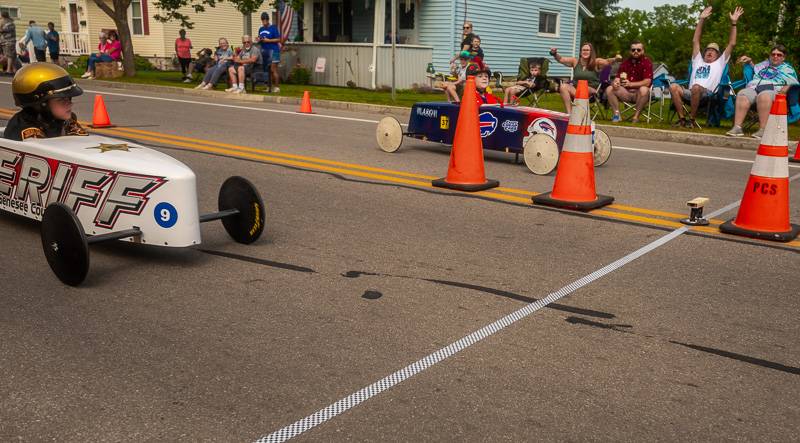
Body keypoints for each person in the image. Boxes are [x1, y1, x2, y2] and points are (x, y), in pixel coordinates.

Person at [669, 6, 743, 128]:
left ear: (718, 55)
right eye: (708, 49)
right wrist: (701, 19)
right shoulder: (697, 60)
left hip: (708, 94)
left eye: (713, 51)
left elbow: (732, 43)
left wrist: (734, 23)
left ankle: (692, 120)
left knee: (697, 87)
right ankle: (682, 119)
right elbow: (695, 41)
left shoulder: (720, 62)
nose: (710, 51)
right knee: (673, 86)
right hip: (690, 92)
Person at [726, 44, 798, 138]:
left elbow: (791, 81)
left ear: (783, 58)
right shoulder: (764, 65)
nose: (775, 56)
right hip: (755, 88)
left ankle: (763, 130)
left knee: (764, 95)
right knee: (742, 94)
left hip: (772, 91)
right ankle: (737, 128)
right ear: (770, 55)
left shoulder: (787, 69)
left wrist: (784, 91)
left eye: (779, 55)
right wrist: (750, 61)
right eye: (773, 54)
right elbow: (755, 68)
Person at [4, 63, 87, 141]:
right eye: (61, 100)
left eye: (69, 98)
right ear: (40, 104)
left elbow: (83, 145)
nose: (70, 104)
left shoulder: (63, 121)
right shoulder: (25, 131)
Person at [551, 43, 619, 113]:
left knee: (584, 87)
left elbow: (607, 61)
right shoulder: (575, 61)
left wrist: (615, 59)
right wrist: (554, 54)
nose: (585, 52)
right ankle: (569, 114)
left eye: (587, 50)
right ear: (581, 52)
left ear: (591, 52)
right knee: (563, 86)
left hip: (591, 90)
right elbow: (561, 59)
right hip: (576, 89)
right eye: (583, 50)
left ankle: (578, 108)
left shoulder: (596, 62)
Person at [606, 40, 653, 123]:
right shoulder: (625, 63)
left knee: (644, 89)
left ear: (643, 51)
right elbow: (617, 78)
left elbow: (647, 82)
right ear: (630, 51)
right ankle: (617, 115)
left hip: (639, 94)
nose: (635, 51)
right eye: (633, 50)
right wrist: (615, 83)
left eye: (638, 50)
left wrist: (631, 84)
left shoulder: (647, 62)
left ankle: (636, 117)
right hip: (625, 92)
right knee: (610, 88)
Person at [258, 12, 281, 93]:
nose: (264, 21)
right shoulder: (261, 29)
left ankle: (277, 87)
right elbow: (261, 39)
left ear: (268, 20)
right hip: (265, 51)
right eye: (263, 20)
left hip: (274, 51)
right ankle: (269, 87)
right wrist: (259, 40)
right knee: (267, 70)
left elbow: (278, 39)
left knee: (273, 69)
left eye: (265, 20)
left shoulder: (273, 28)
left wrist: (268, 40)